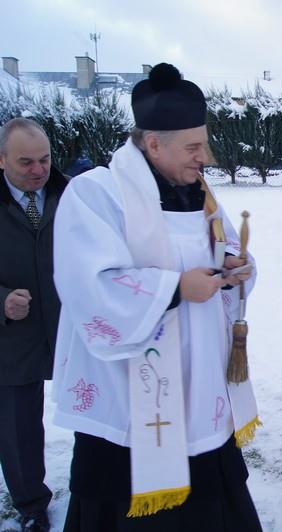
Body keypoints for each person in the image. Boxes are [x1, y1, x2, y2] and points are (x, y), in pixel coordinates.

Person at [51, 63, 262, 532]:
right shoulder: (96, 193)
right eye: (192, 146)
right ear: (153, 144)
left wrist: (236, 265)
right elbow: (88, 285)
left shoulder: (200, 193)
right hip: (130, 398)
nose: (203, 156)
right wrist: (174, 288)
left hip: (199, 379)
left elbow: (226, 245)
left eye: (203, 143)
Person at [0, 118, 67, 532]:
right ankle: (30, 503)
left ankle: (101, 480)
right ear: (2, 159)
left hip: (72, 329)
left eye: (44, 159)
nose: (38, 170)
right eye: (26, 162)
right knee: (18, 425)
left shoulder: (72, 194)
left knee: (93, 407)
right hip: (13, 338)